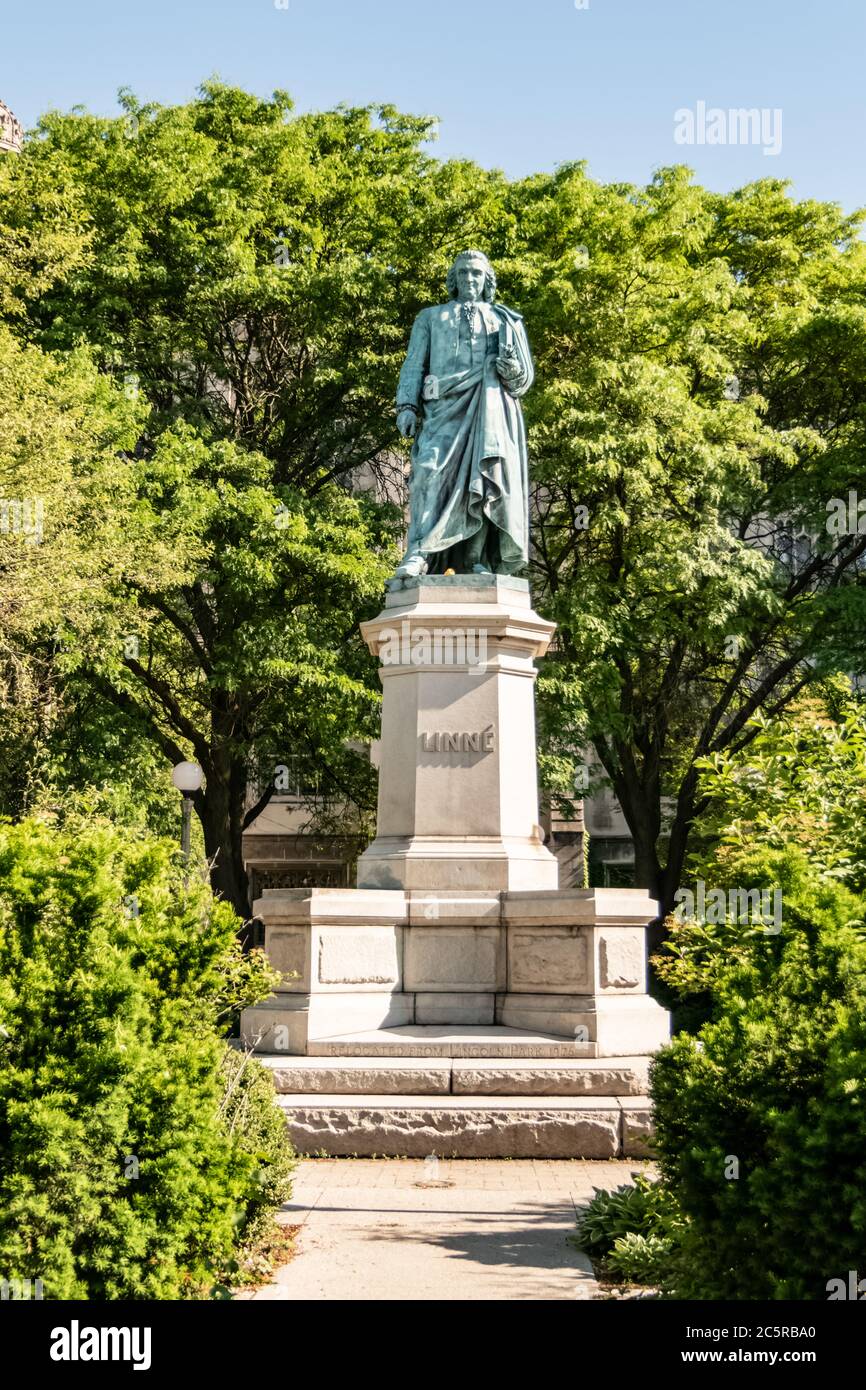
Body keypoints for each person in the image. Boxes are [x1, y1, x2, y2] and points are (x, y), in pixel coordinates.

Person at [393, 249, 534, 579]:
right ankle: (419, 552)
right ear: (453, 279)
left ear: (487, 280)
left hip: (490, 409)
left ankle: (474, 559)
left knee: (485, 479)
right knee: (428, 472)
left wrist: (510, 367)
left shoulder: (505, 320)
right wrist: (407, 406)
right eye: (464, 273)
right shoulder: (430, 317)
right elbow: (414, 363)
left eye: (476, 274)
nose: (470, 279)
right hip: (442, 408)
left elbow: (522, 380)